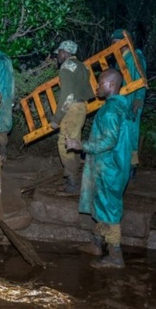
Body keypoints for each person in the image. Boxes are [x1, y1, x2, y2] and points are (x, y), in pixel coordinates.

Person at [65, 68, 133, 268]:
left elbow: (108, 141)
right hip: (118, 164)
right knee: (103, 205)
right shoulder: (123, 106)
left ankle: (115, 255)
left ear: (111, 84)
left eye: (101, 82)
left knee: (109, 209)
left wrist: (81, 145)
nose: (97, 86)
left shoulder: (110, 110)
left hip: (108, 166)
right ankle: (96, 244)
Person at [49, 40, 94, 194]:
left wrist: (57, 118)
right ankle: (73, 178)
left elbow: (67, 96)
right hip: (82, 107)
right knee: (74, 142)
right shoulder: (82, 66)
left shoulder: (67, 68)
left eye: (59, 53)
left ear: (65, 52)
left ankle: (72, 182)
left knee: (64, 144)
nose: (58, 56)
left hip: (72, 109)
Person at [111, 29, 147, 179]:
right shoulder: (121, 59)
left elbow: (141, 80)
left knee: (131, 133)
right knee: (120, 134)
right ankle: (120, 166)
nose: (113, 45)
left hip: (131, 102)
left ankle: (131, 168)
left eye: (115, 42)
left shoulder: (135, 58)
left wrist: (138, 100)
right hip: (121, 102)